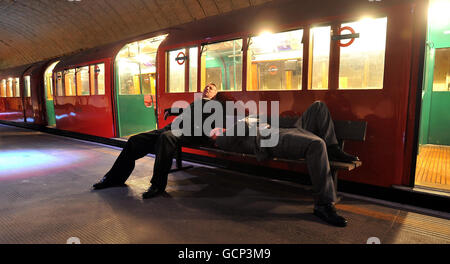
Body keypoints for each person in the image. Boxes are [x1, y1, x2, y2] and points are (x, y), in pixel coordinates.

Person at [212, 101, 358, 227]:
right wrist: (246, 121)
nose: (220, 129)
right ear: (214, 137)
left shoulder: (236, 130)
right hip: (270, 141)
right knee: (317, 145)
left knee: (318, 106)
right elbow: (226, 139)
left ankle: (333, 148)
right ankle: (323, 204)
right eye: (216, 131)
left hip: (284, 131)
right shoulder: (222, 140)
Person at [92, 83, 220, 199]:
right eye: (206, 87)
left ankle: (157, 185)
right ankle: (114, 179)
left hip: (193, 134)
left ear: (215, 94)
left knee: (166, 138)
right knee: (135, 140)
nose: (207, 88)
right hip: (172, 129)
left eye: (211, 88)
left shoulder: (215, 106)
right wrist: (171, 111)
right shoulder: (196, 103)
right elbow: (186, 112)